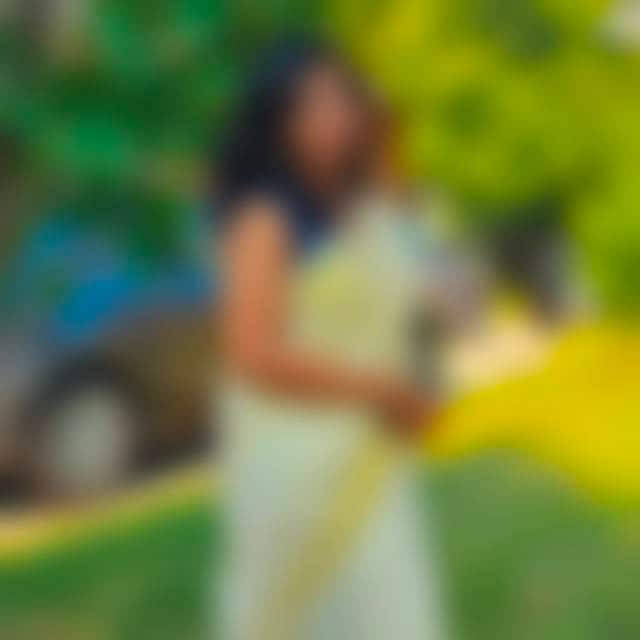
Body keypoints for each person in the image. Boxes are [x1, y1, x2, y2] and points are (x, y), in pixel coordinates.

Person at [214, 40, 444, 640]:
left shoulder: (361, 210)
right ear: (278, 122)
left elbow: (416, 277)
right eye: (312, 105)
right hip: (299, 469)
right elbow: (253, 353)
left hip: (372, 457)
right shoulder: (265, 221)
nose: (334, 117)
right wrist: (381, 390)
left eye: (342, 99)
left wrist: (386, 148)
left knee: (393, 616)